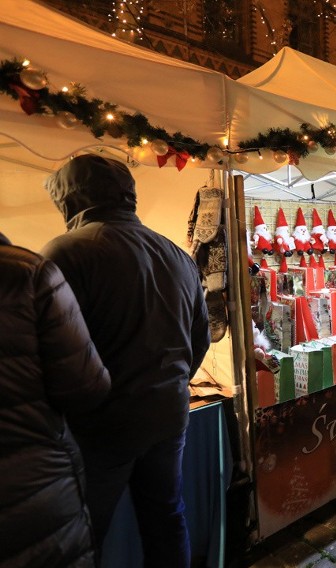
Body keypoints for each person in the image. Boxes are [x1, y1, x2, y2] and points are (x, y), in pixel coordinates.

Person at [41, 155, 211, 567]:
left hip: (104, 424)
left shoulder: (66, 252)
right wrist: (171, 382)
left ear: (71, 198)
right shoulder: (176, 252)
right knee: (167, 518)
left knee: (84, 531)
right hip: (168, 413)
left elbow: (52, 352)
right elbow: (200, 338)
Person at [0, 232, 111, 567]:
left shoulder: (56, 256)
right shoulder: (28, 271)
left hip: (35, 481)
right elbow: (86, 387)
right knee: (165, 514)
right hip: (35, 485)